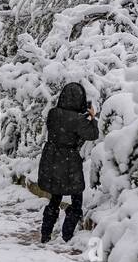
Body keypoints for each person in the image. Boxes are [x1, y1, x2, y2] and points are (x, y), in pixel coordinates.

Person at [36, 83, 98, 243]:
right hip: (69, 160)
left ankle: (45, 234)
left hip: (52, 158)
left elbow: (63, 124)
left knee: (55, 198)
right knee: (76, 198)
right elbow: (92, 134)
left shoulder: (53, 113)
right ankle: (67, 235)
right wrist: (92, 117)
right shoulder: (78, 120)